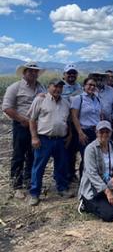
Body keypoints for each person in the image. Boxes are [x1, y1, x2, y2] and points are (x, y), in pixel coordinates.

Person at [2, 62, 46, 198]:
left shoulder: (41, 87)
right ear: (24, 73)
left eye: (35, 71)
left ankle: (29, 181)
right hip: (21, 126)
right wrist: (23, 120)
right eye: (30, 71)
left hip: (38, 127)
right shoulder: (15, 87)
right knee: (19, 155)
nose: (33, 73)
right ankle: (16, 185)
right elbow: (7, 108)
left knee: (33, 155)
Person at [28, 78, 73, 206]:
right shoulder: (40, 100)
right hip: (44, 139)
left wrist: (69, 135)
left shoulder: (65, 103)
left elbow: (68, 121)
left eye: (60, 87)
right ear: (49, 87)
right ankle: (34, 194)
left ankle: (62, 188)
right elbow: (32, 120)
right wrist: (34, 137)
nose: (57, 89)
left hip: (60, 140)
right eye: (55, 86)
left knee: (61, 165)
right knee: (39, 167)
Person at [78, 121, 113, 222]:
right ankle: (87, 204)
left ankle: (109, 202)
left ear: (111, 132)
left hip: (108, 181)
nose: (104, 134)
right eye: (101, 131)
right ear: (96, 133)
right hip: (94, 187)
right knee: (110, 216)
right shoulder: (90, 149)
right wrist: (107, 192)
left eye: (107, 131)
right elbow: (92, 174)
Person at [71, 77, 102, 178]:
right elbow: (74, 116)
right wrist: (80, 132)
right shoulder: (78, 98)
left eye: (94, 85)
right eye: (89, 84)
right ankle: (83, 181)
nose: (92, 87)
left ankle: (93, 180)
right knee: (86, 157)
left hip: (96, 132)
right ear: (84, 86)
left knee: (95, 157)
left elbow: (99, 115)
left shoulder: (97, 99)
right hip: (84, 131)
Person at [61, 64, 82, 182]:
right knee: (65, 151)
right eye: (69, 73)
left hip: (76, 123)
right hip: (64, 123)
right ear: (64, 75)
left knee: (73, 150)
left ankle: (71, 173)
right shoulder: (60, 87)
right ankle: (64, 175)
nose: (71, 75)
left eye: (74, 73)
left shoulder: (79, 88)